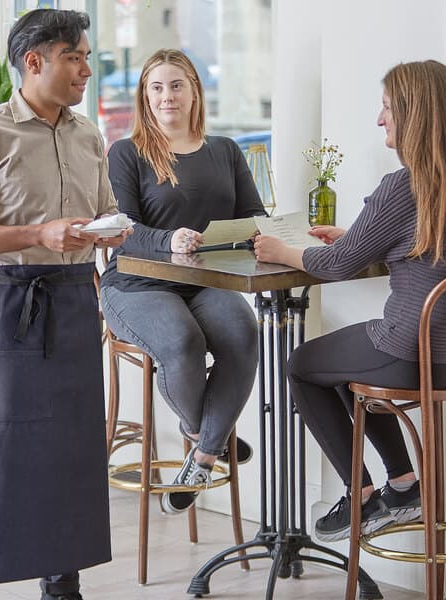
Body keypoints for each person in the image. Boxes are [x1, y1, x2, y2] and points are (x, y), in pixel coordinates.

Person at [0, 9, 131, 600]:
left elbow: (101, 209)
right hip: (13, 301)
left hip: (74, 300)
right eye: (75, 57)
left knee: (69, 450)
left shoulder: (88, 134)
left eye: (87, 57)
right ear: (35, 61)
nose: (86, 70)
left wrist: (108, 231)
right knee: (1, 449)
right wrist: (37, 235)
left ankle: (61, 583)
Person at [254, 59, 446, 542]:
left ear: (413, 113)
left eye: (386, 108)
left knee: (303, 364)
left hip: (413, 354)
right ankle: (402, 486)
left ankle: (361, 491)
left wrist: (284, 250)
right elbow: (410, 242)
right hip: (441, 354)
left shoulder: (404, 186)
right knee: (342, 362)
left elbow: (338, 265)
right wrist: (356, 236)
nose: (380, 120)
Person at [100, 49, 265, 514]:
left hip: (207, 280)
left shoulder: (225, 150)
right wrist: (169, 240)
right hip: (137, 282)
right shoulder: (127, 152)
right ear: (144, 97)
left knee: (243, 332)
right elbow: (122, 229)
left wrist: (261, 234)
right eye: (156, 87)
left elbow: (254, 215)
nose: (166, 96)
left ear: (195, 90)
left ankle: (205, 452)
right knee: (181, 343)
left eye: (176, 85)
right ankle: (210, 435)